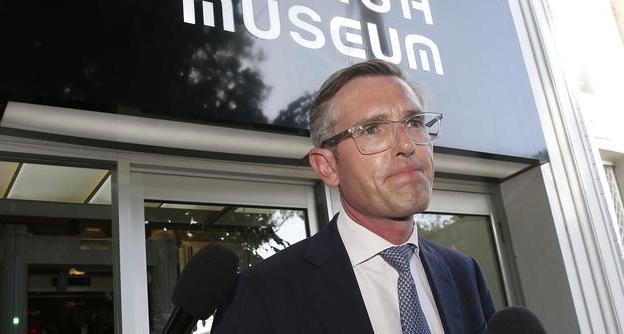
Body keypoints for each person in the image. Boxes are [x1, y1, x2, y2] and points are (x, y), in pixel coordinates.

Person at [211, 59, 496, 334]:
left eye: (414, 122)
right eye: (372, 129)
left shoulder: (464, 274)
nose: (408, 145)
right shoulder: (262, 292)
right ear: (328, 166)